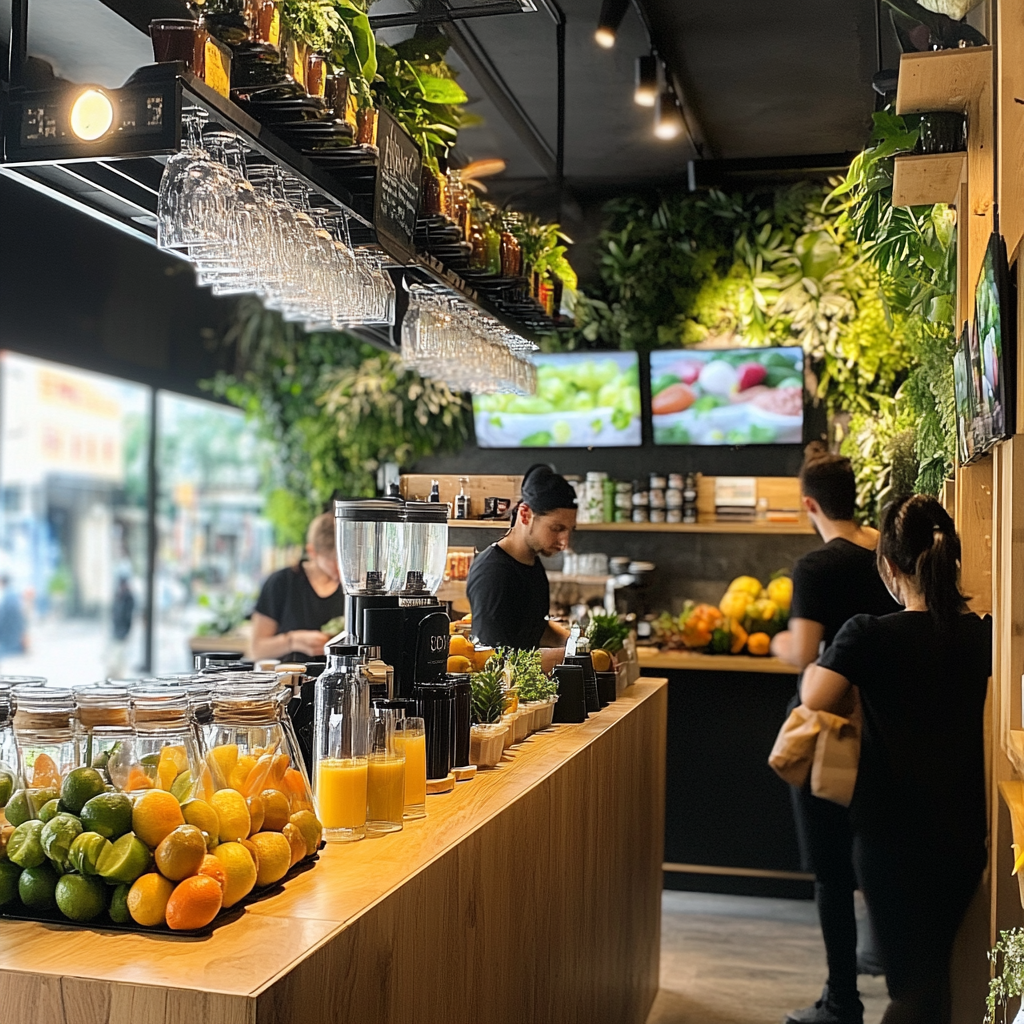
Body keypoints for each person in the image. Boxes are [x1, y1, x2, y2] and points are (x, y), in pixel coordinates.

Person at [801, 495, 989, 1024]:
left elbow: (813, 696)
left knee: (913, 987)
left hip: (891, 839)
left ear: (887, 565)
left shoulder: (867, 634)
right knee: (930, 980)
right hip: (962, 836)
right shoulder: (981, 633)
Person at [773, 443, 899, 1024]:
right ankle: (901, 983)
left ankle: (842, 1000)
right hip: (890, 724)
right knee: (878, 851)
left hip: (831, 730)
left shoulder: (817, 567)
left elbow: (801, 651)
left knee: (830, 870)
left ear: (809, 504)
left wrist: (775, 644)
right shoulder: (886, 554)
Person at [466, 464, 576, 674]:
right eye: (557, 528)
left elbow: (535, 627)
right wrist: (569, 656)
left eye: (570, 530)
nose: (565, 543)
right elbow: (492, 661)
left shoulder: (532, 564)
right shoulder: (494, 573)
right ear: (525, 515)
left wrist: (576, 643)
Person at [251, 511, 345, 661]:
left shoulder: (354, 587)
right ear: (312, 552)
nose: (342, 569)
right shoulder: (281, 583)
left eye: (346, 561)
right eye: (334, 561)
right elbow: (256, 650)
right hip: (290, 679)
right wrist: (293, 641)